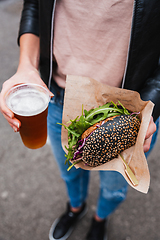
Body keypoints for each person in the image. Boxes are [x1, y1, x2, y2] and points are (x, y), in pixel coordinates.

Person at [0, 1, 160, 240]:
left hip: (127, 111)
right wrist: (26, 65)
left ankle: (100, 220)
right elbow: (34, 4)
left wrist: (148, 105)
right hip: (58, 96)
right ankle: (76, 209)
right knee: (70, 171)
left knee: (114, 188)